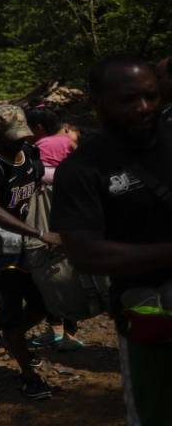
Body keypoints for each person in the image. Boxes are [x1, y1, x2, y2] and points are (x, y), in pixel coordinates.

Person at [52, 57, 172, 425]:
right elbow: (85, 252)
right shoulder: (82, 169)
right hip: (151, 317)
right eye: (128, 99)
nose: (143, 108)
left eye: (151, 96)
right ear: (97, 102)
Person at [0, 105, 60, 400]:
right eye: (13, 136)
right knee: (9, 312)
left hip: (30, 244)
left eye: (23, 135)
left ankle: (13, 337)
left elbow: (40, 188)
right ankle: (29, 377)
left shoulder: (30, 155)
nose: (20, 140)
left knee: (44, 305)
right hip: (0, 249)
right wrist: (38, 233)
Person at [25, 107, 84, 350]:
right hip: (72, 209)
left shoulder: (36, 149)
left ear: (38, 128)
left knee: (47, 268)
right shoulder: (69, 142)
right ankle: (68, 329)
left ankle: (58, 329)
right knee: (69, 266)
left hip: (43, 211)